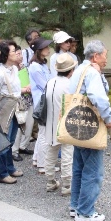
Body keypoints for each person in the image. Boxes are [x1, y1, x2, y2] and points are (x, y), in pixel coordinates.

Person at [69, 40, 111, 221]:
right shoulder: (93, 73)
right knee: (93, 170)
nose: (106, 60)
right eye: (105, 55)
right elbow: (99, 99)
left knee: (79, 167)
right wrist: (109, 119)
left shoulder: (79, 70)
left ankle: (75, 205)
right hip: (91, 125)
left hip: (77, 123)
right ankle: (85, 211)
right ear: (95, 56)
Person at [0, 40, 27, 184]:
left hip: (16, 105)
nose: (16, 53)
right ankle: (0, 173)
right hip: (6, 106)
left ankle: (9, 167)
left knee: (11, 140)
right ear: (6, 54)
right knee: (3, 140)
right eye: (13, 51)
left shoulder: (14, 69)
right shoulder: (0, 74)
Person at [44, 53, 76, 195]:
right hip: (65, 122)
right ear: (71, 70)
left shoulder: (50, 82)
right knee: (67, 153)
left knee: (51, 152)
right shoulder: (70, 85)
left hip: (50, 122)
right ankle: (67, 185)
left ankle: (50, 181)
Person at [28, 37, 53, 173]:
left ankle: (37, 159)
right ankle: (44, 164)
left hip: (44, 101)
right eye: (45, 47)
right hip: (42, 103)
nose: (48, 49)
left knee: (43, 132)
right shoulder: (35, 67)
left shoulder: (42, 65)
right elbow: (45, 85)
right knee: (44, 133)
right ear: (38, 50)